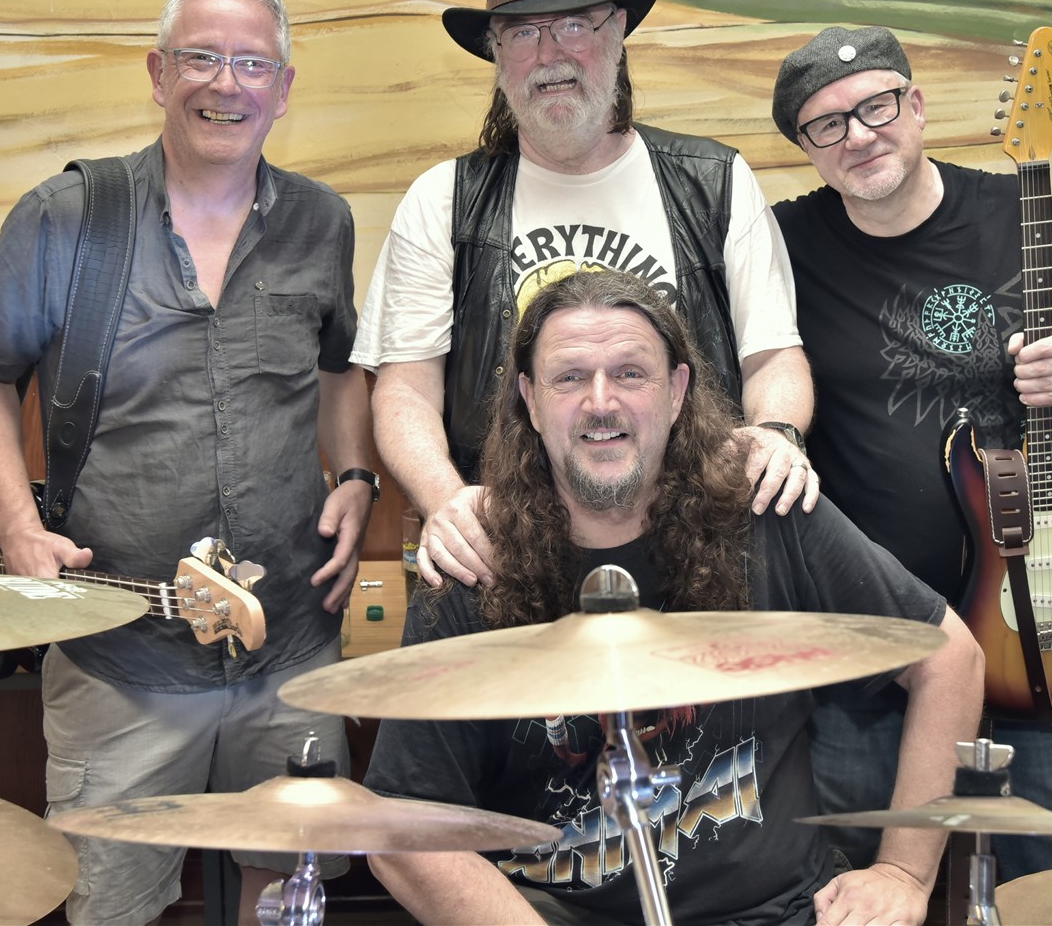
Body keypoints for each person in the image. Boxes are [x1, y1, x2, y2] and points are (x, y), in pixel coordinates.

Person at [0, 0, 376, 924]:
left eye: (251, 64)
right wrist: (15, 528)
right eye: (200, 58)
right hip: (120, 654)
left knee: (289, 895)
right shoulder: (66, 218)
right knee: (111, 904)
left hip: (292, 647)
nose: (226, 83)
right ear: (156, 73)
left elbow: (339, 367)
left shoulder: (323, 221)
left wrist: (354, 473)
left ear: (283, 89)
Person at [363, 268, 984, 926]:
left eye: (630, 373)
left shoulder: (765, 510)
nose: (600, 401)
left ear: (678, 390)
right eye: (569, 378)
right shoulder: (474, 556)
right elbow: (404, 829)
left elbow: (949, 658)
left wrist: (902, 873)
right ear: (531, 401)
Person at [768, 26, 1052, 881]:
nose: (858, 135)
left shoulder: (1019, 213)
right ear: (806, 148)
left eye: (875, 106)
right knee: (863, 878)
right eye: (827, 124)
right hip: (873, 641)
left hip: (1035, 620)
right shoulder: (784, 244)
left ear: (917, 105)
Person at [353, 0, 817, 592]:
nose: (550, 54)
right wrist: (446, 501)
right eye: (522, 33)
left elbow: (773, 356)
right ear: (496, 55)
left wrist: (775, 432)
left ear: (617, 32)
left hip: (698, 549)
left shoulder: (714, 182)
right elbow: (405, 389)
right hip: (507, 556)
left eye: (573, 24)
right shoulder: (442, 201)